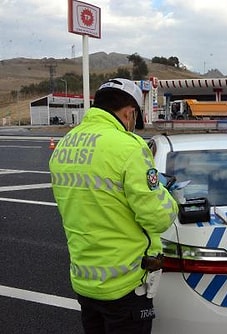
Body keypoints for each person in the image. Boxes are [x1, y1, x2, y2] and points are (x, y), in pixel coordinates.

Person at [49, 78, 179, 333]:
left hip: (85, 279)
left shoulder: (65, 145)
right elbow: (158, 218)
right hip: (125, 283)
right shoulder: (130, 148)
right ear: (129, 112)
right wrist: (166, 196)